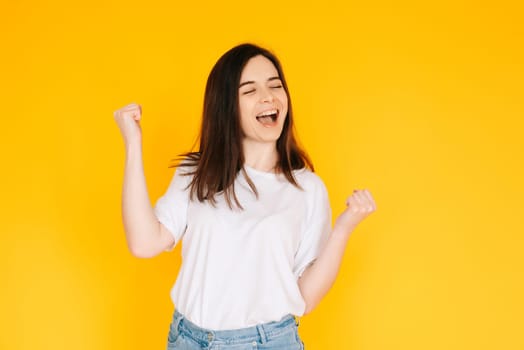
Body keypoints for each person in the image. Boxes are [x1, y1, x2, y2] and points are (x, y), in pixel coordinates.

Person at [113, 43, 376, 350]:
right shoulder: (197, 173)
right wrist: (133, 143)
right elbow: (144, 243)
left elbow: (305, 298)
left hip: (267, 343)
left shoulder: (307, 189)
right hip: (187, 339)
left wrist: (344, 228)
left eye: (275, 85)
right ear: (227, 106)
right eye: (250, 90)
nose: (268, 96)